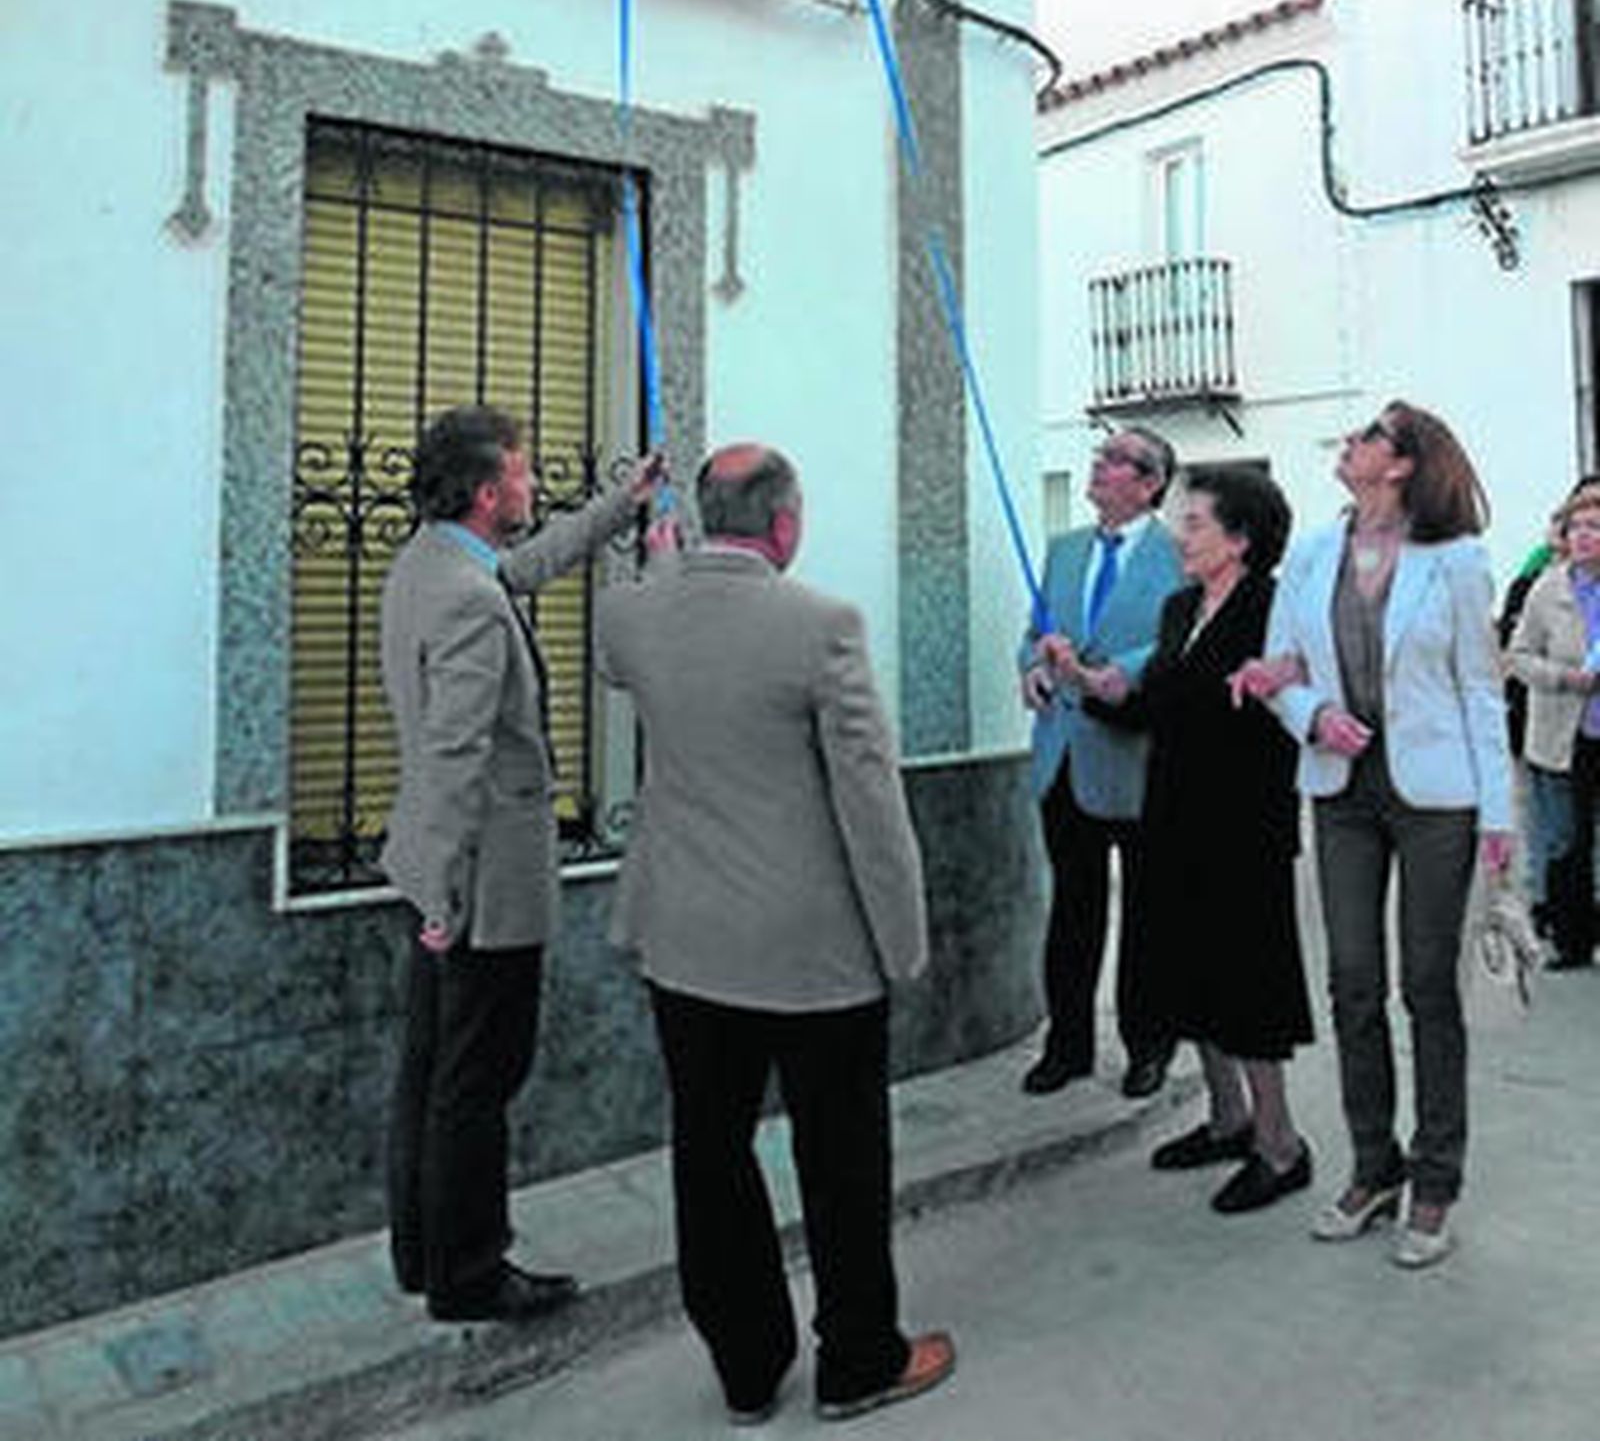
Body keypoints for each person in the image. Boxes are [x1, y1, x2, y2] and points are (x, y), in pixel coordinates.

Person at [595, 443, 955, 1426]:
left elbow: (627, 660)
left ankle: (747, 1371)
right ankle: (857, 1359)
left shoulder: (631, 611)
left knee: (708, 1157)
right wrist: (903, 941)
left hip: (683, 939)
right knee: (841, 1161)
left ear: (706, 517)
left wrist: (661, 563)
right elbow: (870, 800)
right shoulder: (820, 625)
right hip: (814, 950)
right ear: (785, 524)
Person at [380, 405, 664, 1323]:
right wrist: (446, 894)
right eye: (523, 473)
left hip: (438, 870)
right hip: (481, 885)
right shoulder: (465, 596)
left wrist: (623, 506)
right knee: (478, 1080)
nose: (533, 484)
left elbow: (529, 567)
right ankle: (472, 1272)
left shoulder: (434, 563)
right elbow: (460, 755)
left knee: (433, 1070)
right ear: (485, 489)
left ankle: (424, 1254)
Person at [1234, 402, 1512, 1270]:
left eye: (1365, 439)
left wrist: (1499, 816)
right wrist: (1313, 715)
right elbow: (1283, 669)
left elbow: (1478, 688)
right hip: (1342, 792)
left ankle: (1436, 1180)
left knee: (1430, 988)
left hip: (1438, 797)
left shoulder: (1457, 560)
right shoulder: (1312, 553)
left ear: (1400, 464)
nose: (1348, 448)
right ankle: (1372, 1166)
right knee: (1353, 981)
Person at [1105, 467, 1314, 1214]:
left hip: (1242, 825)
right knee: (1188, 972)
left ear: (1241, 538)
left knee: (1247, 983)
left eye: (1194, 523)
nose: (1181, 535)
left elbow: (1287, 708)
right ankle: (1227, 1119)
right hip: (1171, 819)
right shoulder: (1179, 606)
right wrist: (1100, 687)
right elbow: (1160, 704)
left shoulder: (1277, 608)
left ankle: (1280, 1144)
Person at [1018, 427, 1183, 1099]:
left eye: (1115, 461)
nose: (1099, 466)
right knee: (1072, 908)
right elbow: (1035, 633)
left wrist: (1112, 673)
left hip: (1137, 755)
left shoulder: (1178, 558)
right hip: (1063, 753)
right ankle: (1068, 1045)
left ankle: (1149, 1045)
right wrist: (1032, 667)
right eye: (1100, 457)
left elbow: (1177, 638)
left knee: (1147, 913)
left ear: (1148, 483)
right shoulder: (1064, 550)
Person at [1508, 485, 1600, 970]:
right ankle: (1573, 939)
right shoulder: (1549, 588)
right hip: (1565, 733)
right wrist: (1566, 677)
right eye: (1577, 528)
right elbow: (1518, 657)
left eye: (1595, 528)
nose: (1584, 537)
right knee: (1567, 838)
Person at [1498, 508, 1566, 936]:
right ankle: (1549, 903)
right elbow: (1515, 649)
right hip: (1545, 715)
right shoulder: (1537, 583)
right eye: (1571, 526)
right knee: (1550, 818)